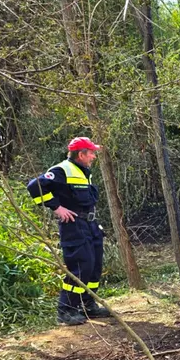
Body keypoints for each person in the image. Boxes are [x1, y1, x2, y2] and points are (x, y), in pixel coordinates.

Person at [27, 137, 111, 326]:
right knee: (81, 267)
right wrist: (56, 208)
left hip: (90, 225)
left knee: (95, 266)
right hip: (73, 226)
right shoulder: (61, 169)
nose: (94, 157)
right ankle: (66, 311)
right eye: (91, 153)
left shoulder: (84, 172)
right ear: (81, 154)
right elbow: (34, 186)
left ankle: (87, 305)